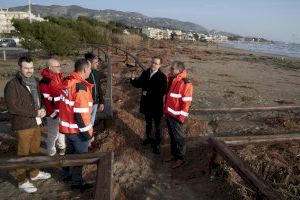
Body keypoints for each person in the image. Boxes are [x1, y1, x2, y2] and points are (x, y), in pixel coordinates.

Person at [4, 56, 51, 193]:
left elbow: (40, 99)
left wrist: (43, 109)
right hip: (23, 124)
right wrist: (35, 112)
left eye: (31, 68)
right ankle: (22, 180)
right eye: (26, 68)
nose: (29, 70)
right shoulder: (12, 85)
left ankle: (34, 173)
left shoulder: (35, 81)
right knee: (23, 153)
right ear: (20, 68)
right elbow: (13, 107)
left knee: (35, 150)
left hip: (36, 122)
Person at [59, 59, 93, 190]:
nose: (91, 71)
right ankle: (76, 183)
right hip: (78, 131)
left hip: (67, 128)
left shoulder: (68, 82)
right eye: (90, 69)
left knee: (69, 153)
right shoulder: (80, 87)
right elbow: (81, 115)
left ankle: (66, 174)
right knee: (79, 158)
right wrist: (88, 135)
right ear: (85, 70)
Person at [130, 56, 167, 154]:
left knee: (158, 125)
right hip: (146, 104)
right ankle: (148, 138)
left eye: (156, 63)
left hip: (156, 105)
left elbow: (162, 92)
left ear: (159, 65)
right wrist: (133, 79)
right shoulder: (145, 73)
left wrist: (147, 92)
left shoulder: (162, 77)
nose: (153, 64)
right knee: (148, 123)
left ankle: (157, 144)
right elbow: (138, 84)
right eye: (152, 62)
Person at [164, 61, 193, 168]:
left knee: (179, 138)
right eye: (170, 68)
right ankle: (174, 155)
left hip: (177, 117)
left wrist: (181, 117)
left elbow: (187, 103)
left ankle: (181, 158)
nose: (170, 70)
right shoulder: (171, 79)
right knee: (172, 137)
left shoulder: (185, 83)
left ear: (179, 70)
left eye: (172, 69)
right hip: (169, 114)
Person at [39, 58, 66, 156]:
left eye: (60, 65)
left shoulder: (59, 76)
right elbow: (46, 100)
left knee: (62, 130)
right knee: (53, 133)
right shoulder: (44, 81)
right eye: (57, 66)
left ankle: (62, 147)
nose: (60, 68)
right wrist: (53, 113)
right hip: (53, 112)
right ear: (50, 68)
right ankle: (51, 151)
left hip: (63, 110)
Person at [85, 52, 104, 147]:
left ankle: (89, 141)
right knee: (86, 123)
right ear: (89, 62)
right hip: (86, 104)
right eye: (95, 62)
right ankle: (87, 143)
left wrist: (101, 101)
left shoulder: (96, 73)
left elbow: (99, 87)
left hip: (95, 103)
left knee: (91, 122)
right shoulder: (84, 74)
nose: (97, 64)